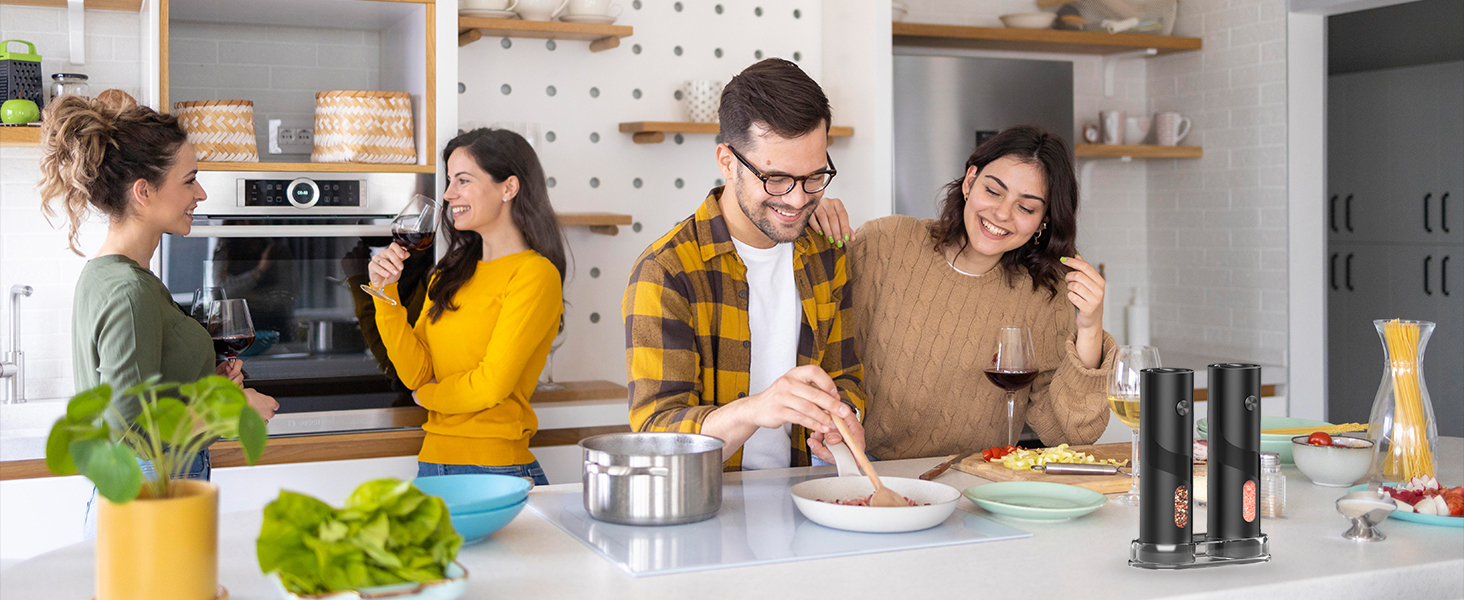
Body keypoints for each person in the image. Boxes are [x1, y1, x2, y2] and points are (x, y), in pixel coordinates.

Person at [37, 91, 279, 532]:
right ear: (143, 191)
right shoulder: (129, 289)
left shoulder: (114, 276)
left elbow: (148, 394)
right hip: (148, 499)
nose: (200, 193)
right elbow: (131, 428)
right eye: (190, 180)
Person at [810, 125, 1116, 460]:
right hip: (861, 469)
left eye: (1026, 208)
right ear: (970, 181)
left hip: (973, 481)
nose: (1002, 214)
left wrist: (1090, 328)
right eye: (994, 191)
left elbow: (1069, 431)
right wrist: (810, 218)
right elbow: (808, 330)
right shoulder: (885, 242)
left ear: (1043, 220)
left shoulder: (1043, 292)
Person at [623, 58, 867, 470]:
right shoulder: (667, 270)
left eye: (813, 177)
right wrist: (756, 410)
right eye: (775, 179)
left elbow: (846, 376)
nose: (796, 199)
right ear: (727, 161)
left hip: (806, 499)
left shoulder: (828, 254)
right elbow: (655, 433)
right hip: (710, 507)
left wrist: (844, 420)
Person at [368, 128, 566, 486]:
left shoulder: (534, 275)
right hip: (431, 465)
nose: (447, 195)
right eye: (448, 181)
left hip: (496, 469)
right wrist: (386, 295)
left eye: (462, 180)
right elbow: (415, 372)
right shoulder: (449, 272)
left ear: (509, 188)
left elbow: (490, 386)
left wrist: (426, 395)